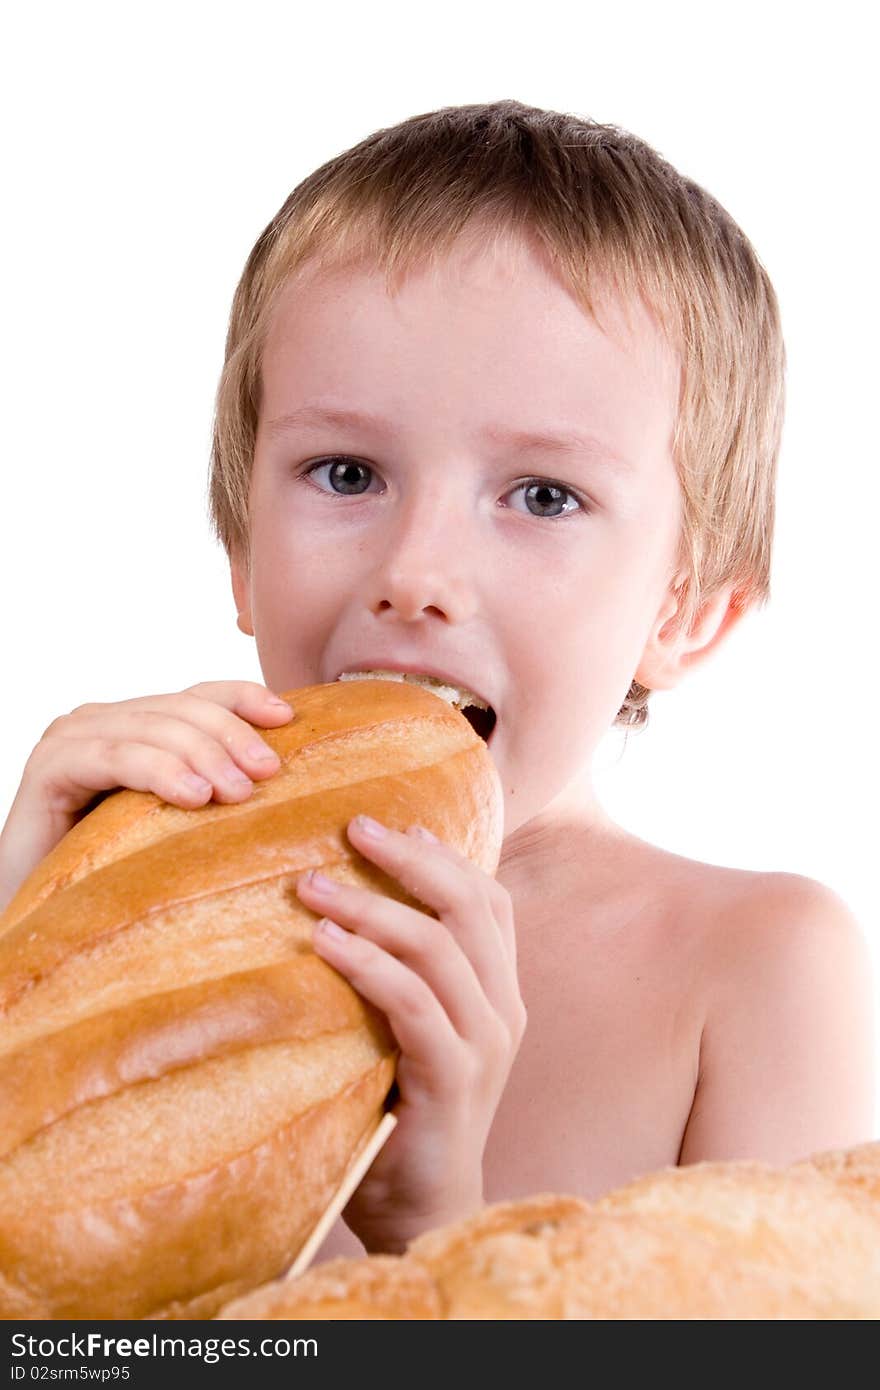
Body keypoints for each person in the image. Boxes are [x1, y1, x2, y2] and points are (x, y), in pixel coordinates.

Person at [0, 99, 873, 1264]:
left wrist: (438, 1226)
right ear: (240, 551)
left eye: (544, 496)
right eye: (346, 471)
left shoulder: (754, 967)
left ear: (688, 613)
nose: (415, 575)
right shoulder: (123, 910)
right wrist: (28, 955)